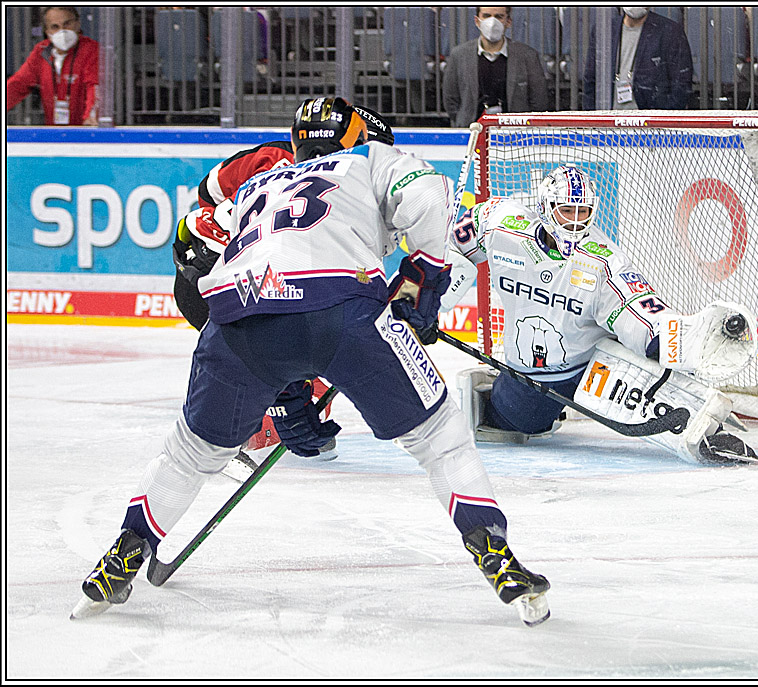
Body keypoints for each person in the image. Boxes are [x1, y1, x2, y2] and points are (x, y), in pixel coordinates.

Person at [72, 97, 551, 627]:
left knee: (189, 453)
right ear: (356, 137)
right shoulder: (370, 160)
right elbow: (427, 193)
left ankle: (122, 553)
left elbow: (218, 251)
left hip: (233, 321)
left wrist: (283, 383)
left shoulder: (259, 182)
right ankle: (493, 550)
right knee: (441, 439)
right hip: (341, 313)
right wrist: (421, 280)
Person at [444, 164, 758, 466]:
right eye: (567, 211)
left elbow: (641, 315)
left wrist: (687, 341)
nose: (575, 222)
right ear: (544, 208)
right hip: (528, 383)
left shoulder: (602, 262)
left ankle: (696, 423)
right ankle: (491, 395)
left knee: (629, 354)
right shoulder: (501, 222)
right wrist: (429, 298)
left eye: (583, 212)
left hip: (586, 371)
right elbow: (456, 246)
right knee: (519, 420)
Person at [170, 105, 395, 473]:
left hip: (228, 277)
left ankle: (252, 424)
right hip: (224, 284)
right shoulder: (311, 179)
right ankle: (230, 433)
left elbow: (209, 191)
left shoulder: (301, 170)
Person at [443, 6, 549, 128]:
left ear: (508, 22)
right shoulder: (459, 55)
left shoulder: (527, 56)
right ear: (477, 21)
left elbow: (539, 100)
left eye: (499, 17)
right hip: (472, 132)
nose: (492, 22)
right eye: (486, 16)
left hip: (515, 135)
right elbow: (450, 99)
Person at [583, 7, 693, 111]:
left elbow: (681, 84)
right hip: (609, 123)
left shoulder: (670, 32)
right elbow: (590, 79)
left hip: (652, 124)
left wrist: (662, 120)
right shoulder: (604, 30)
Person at [6, 6, 100, 125]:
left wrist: (91, 116)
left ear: (78, 23)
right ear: (47, 31)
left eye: (67, 23)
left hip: (85, 131)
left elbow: (95, 86)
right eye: (55, 27)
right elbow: (18, 84)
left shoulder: (91, 50)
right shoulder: (41, 52)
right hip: (53, 132)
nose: (63, 30)